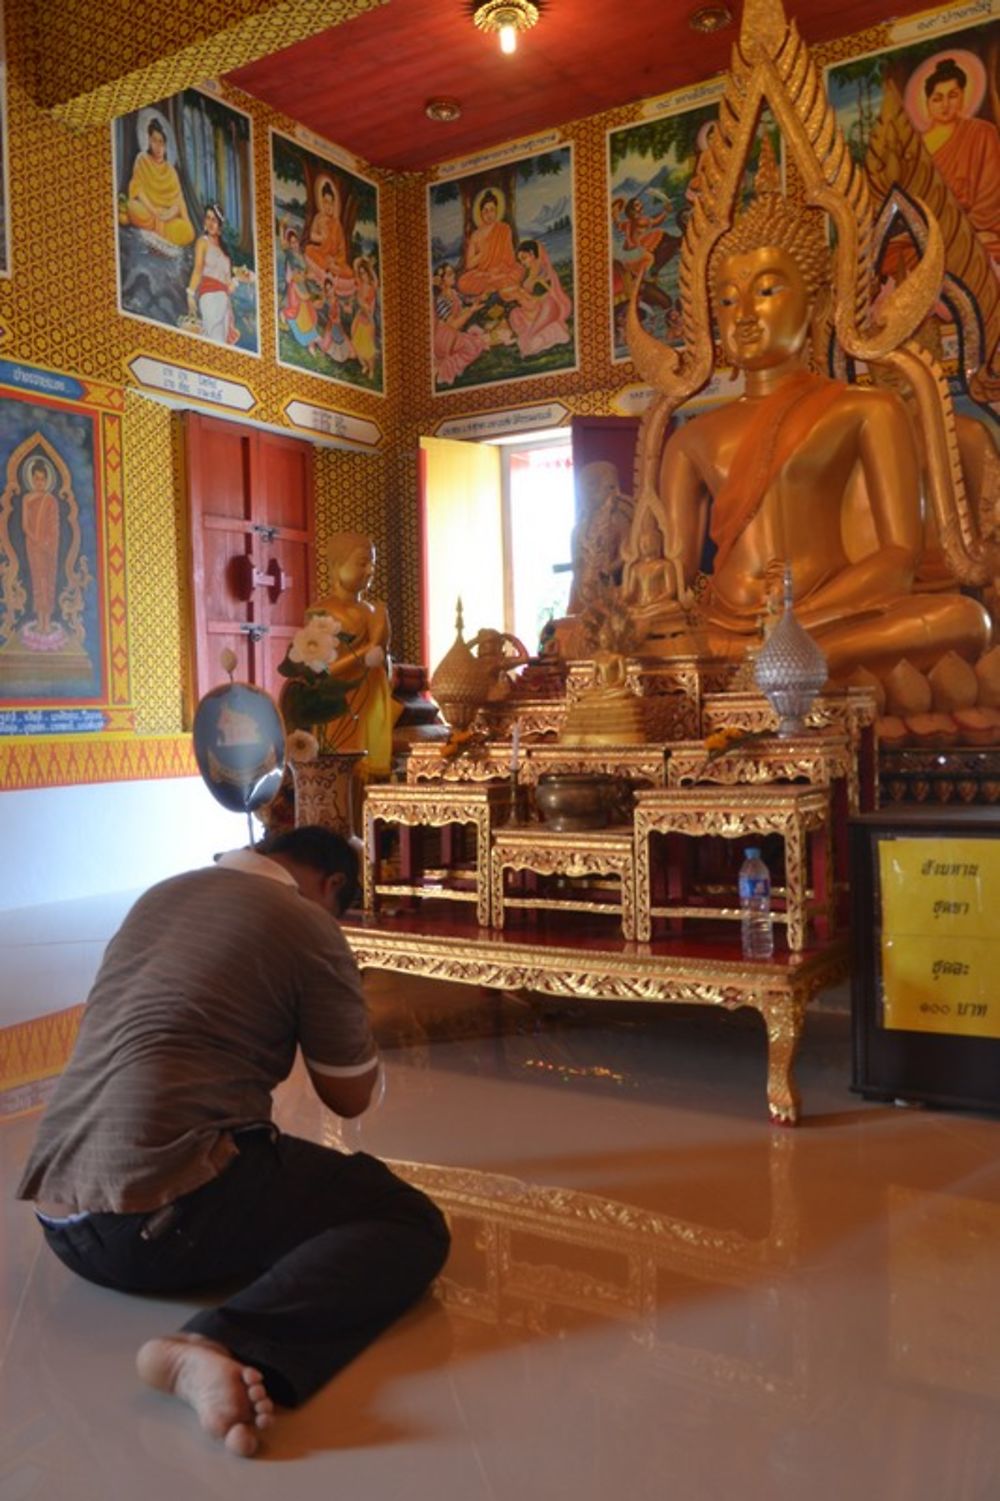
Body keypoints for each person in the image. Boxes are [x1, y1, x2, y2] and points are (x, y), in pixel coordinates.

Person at [15, 826, 450, 1458]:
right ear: (332, 886)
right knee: (406, 1218)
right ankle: (212, 1344)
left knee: (280, 1182)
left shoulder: (161, 895)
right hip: (151, 1222)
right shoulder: (306, 923)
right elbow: (349, 1098)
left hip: (61, 1219)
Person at [634, 169, 991, 680]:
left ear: (818, 302)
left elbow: (897, 559)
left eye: (767, 291)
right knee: (606, 643)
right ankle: (769, 665)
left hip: (827, 616)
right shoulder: (690, 440)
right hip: (723, 628)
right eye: (728, 301)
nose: (744, 316)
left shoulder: (866, 409)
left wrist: (795, 617)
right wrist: (640, 615)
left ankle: (784, 663)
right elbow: (674, 579)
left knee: (964, 620)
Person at [308, 532, 398, 777]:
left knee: (373, 778)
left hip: (372, 704)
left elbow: (385, 670)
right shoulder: (322, 611)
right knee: (345, 775)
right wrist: (369, 649)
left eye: (372, 564)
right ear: (337, 566)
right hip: (340, 709)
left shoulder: (374, 611)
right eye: (361, 563)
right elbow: (321, 674)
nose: (370, 571)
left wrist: (383, 651)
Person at [916, 55, 1000, 265]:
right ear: (927, 103)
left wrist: (969, 230)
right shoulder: (916, 147)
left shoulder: (982, 132)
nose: (945, 104)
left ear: (963, 96)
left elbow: (992, 193)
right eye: (937, 98)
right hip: (932, 233)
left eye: (952, 95)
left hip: (976, 227)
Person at [126, 117, 195, 246]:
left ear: (165, 144)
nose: (158, 146)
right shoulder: (142, 160)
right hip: (148, 211)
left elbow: (178, 202)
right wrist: (154, 210)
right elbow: (138, 190)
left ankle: (159, 230)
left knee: (188, 231)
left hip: (167, 218)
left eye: (161, 142)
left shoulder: (171, 171)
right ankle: (160, 231)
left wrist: (166, 215)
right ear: (149, 141)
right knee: (132, 207)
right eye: (154, 141)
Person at [507, 239, 573, 358]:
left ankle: (531, 338)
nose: (522, 263)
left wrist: (522, 294)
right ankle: (529, 337)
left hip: (548, 307)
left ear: (532, 254)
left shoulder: (543, 269)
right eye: (520, 260)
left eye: (524, 258)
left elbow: (541, 294)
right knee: (514, 313)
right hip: (533, 308)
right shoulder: (529, 273)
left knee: (546, 308)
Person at [457, 188, 524, 300]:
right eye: (485, 211)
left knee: (518, 271)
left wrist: (499, 270)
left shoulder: (504, 229)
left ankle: (491, 290)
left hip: (502, 271)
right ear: (481, 213)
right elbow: (469, 264)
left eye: (492, 210)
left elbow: (510, 258)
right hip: (484, 275)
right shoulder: (476, 235)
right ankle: (497, 288)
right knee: (462, 282)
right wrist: (482, 254)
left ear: (497, 210)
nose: (489, 214)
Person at [186, 203, 239, 345]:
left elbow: (228, 283)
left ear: (220, 225)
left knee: (222, 342)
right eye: (208, 218)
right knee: (214, 339)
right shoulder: (203, 242)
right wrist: (190, 294)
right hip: (209, 297)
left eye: (214, 220)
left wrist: (236, 281)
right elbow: (198, 269)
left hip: (224, 300)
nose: (210, 223)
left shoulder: (224, 252)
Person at [20, 457, 61, 639]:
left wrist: (46, 543)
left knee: (48, 581)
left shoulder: (50, 500)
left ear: (47, 480)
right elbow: (24, 525)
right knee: (38, 582)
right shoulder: (27, 499)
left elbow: (55, 526)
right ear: (31, 480)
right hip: (33, 547)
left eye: (42, 479)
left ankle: (47, 622)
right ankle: (39, 621)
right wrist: (35, 538)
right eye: (36, 479)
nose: (39, 483)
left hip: (48, 548)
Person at [432, 262, 489, 386]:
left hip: (452, 334)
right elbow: (453, 325)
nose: (454, 276)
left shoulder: (453, 293)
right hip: (444, 338)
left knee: (476, 341)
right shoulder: (441, 300)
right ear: (441, 281)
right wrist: (471, 311)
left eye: (453, 273)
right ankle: (445, 367)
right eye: (449, 274)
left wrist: (480, 297)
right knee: (472, 347)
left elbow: (468, 300)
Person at [305, 176, 354, 297]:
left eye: (331, 203)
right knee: (309, 249)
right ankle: (328, 273)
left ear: (334, 204)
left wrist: (335, 261)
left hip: (335, 261)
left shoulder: (337, 224)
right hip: (322, 254)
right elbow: (312, 235)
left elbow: (342, 250)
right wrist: (321, 238)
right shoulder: (318, 218)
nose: (328, 206)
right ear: (321, 201)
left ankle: (328, 272)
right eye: (326, 202)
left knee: (349, 273)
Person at [350, 255, 379, 379]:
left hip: (368, 320)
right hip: (360, 318)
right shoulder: (360, 286)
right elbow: (355, 265)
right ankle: (364, 365)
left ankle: (371, 369)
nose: (363, 276)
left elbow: (375, 280)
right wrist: (362, 259)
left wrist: (369, 265)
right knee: (356, 344)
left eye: (365, 273)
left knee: (369, 348)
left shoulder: (372, 287)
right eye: (361, 274)